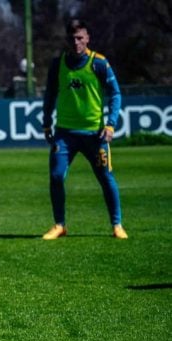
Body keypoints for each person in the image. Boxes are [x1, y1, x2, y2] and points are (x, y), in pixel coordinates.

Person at [41, 18, 127, 240]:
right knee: (57, 176)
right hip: (65, 134)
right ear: (67, 39)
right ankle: (59, 225)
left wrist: (110, 124)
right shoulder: (57, 64)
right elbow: (50, 94)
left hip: (94, 134)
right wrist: (47, 121)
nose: (76, 42)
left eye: (80, 37)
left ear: (87, 38)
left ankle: (117, 225)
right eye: (72, 38)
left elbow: (115, 94)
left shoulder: (99, 63)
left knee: (106, 178)